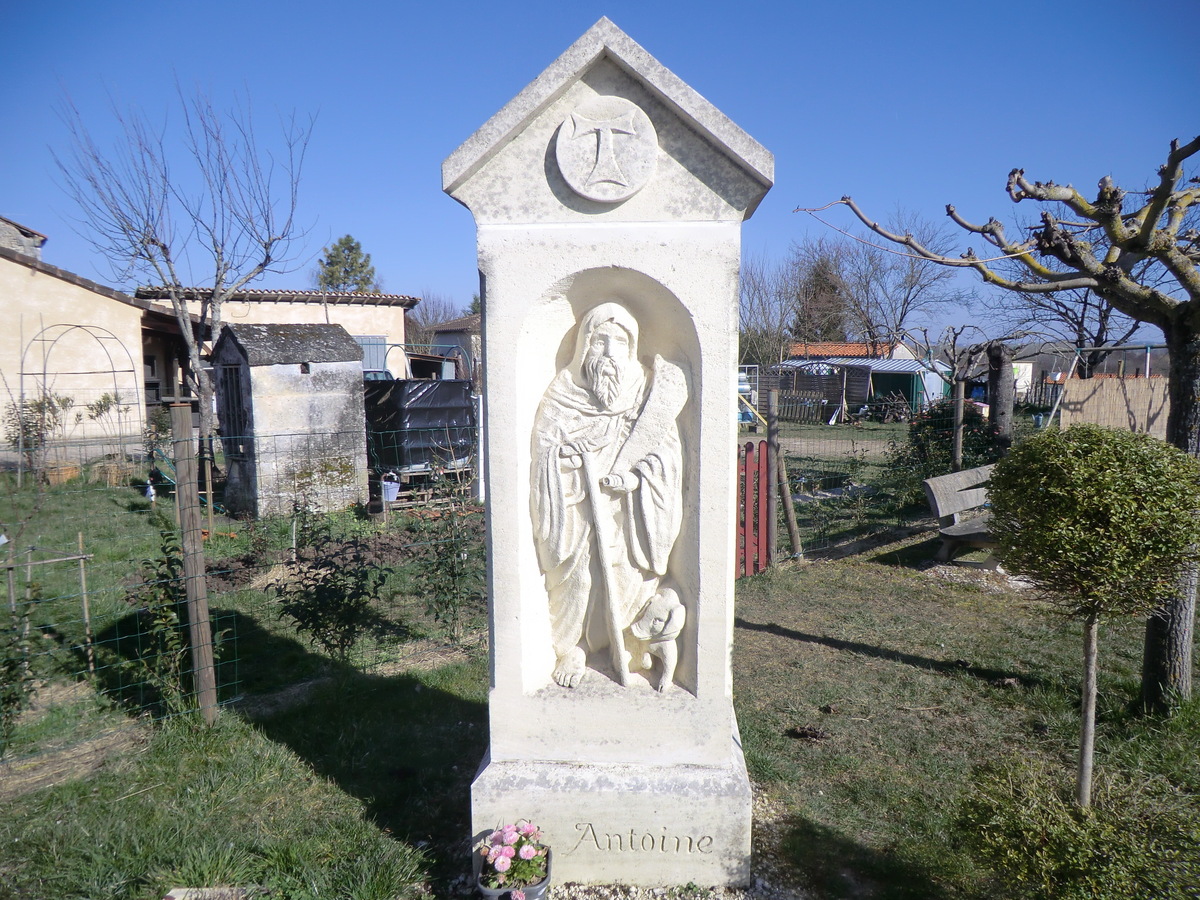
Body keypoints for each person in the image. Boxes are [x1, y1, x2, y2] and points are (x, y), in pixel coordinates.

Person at [530, 302, 686, 688]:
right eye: (600, 340)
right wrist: (564, 458)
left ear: (632, 347)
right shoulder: (563, 393)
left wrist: (635, 481)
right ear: (584, 344)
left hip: (629, 514)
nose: (610, 352)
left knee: (625, 574)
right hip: (578, 510)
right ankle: (576, 646)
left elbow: (666, 454)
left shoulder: (646, 391)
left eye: (619, 341)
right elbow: (544, 448)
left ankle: (630, 649)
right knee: (580, 578)